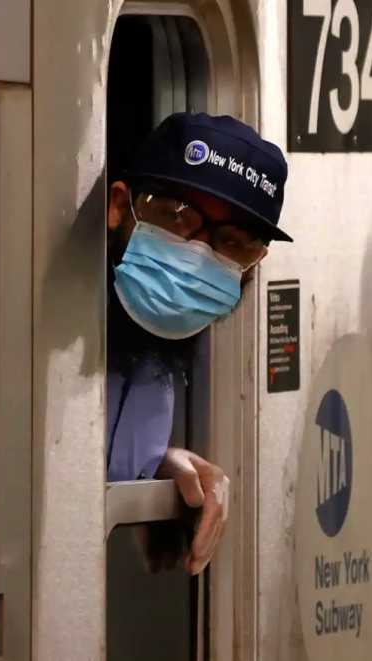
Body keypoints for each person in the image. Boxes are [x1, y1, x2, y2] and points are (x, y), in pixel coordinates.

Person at [105, 112, 292, 575]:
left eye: (232, 242)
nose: (196, 254)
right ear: (119, 205)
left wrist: (162, 465)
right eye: (175, 217)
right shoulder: (39, 335)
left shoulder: (155, 369)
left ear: (254, 263)